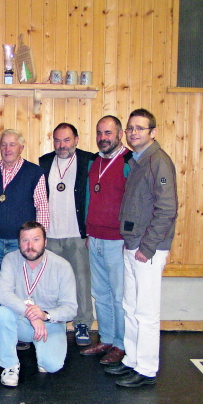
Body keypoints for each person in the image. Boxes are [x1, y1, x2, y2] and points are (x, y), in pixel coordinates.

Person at [106, 108, 178, 388]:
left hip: (147, 249)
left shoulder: (159, 162)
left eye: (140, 128)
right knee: (130, 306)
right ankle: (132, 360)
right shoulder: (138, 161)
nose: (133, 132)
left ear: (153, 132)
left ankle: (146, 369)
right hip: (132, 244)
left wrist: (147, 248)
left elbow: (167, 209)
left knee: (146, 312)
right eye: (130, 128)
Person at [0, 221, 77, 387]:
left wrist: (45, 315)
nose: (30, 246)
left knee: (52, 366)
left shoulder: (62, 266)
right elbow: (2, 294)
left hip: (49, 324)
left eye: (36, 239)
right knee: (1, 313)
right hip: (21, 321)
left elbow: (71, 309)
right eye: (25, 240)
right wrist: (31, 315)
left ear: (45, 242)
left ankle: (43, 353)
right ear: (19, 243)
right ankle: (10, 365)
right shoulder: (10, 259)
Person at [38, 123, 95, 347]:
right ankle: (53, 322)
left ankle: (83, 323)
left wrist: (90, 230)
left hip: (77, 234)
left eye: (67, 140)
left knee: (81, 281)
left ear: (76, 140)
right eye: (58, 140)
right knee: (51, 283)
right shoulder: (44, 162)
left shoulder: (88, 161)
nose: (62, 145)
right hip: (50, 235)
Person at [81, 116, 132, 365]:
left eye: (108, 133)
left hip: (117, 240)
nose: (103, 138)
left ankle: (121, 344)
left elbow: (134, 203)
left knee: (118, 296)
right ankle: (107, 338)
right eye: (100, 133)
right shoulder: (94, 161)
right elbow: (89, 198)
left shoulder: (129, 162)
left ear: (120, 134)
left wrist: (128, 237)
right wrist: (88, 231)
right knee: (100, 293)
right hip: (95, 238)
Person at [0, 129, 49, 269]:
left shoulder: (34, 172)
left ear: (21, 148)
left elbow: (42, 207)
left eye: (12, 145)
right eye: (4, 145)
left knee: (21, 278)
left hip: (23, 241)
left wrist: (39, 238)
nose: (7, 149)